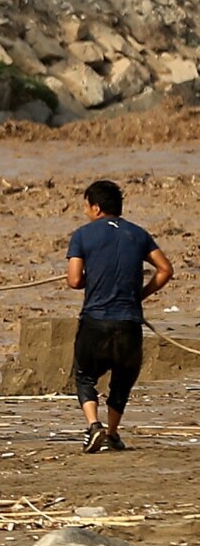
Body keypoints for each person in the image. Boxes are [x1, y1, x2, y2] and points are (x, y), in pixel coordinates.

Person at [67, 180, 173, 453]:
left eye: (87, 206)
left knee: (84, 376)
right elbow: (165, 270)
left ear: (97, 207)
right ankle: (112, 433)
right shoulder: (137, 234)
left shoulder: (82, 236)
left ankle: (93, 426)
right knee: (122, 381)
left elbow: (74, 280)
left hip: (95, 321)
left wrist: (94, 278)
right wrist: (139, 295)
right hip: (128, 322)